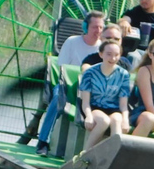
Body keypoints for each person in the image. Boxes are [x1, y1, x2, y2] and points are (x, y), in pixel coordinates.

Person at [36, 11, 105, 156]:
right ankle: (43, 141)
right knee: (57, 98)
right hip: (67, 85)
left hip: (91, 90)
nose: (98, 31)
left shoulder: (104, 49)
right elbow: (63, 69)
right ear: (86, 27)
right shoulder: (72, 42)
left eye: (100, 27)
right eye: (94, 27)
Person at [79, 39, 131, 151]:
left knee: (117, 120)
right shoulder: (90, 73)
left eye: (116, 55)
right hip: (94, 107)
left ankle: (112, 156)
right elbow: (86, 101)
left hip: (114, 108)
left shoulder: (124, 75)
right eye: (109, 54)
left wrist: (125, 119)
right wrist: (88, 116)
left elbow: (123, 104)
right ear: (101, 54)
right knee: (104, 121)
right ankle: (85, 154)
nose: (112, 58)